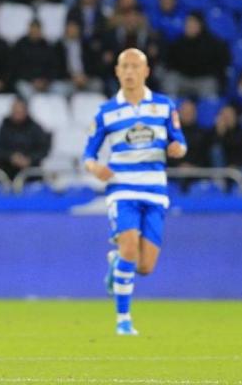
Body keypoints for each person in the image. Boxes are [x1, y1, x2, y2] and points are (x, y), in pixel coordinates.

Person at [83, 49, 187, 336]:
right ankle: (123, 320)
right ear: (117, 72)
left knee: (145, 267)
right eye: (124, 67)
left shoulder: (165, 107)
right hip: (122, 188)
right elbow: (88, 154)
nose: (129, 72)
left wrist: (178, 149)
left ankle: (116, 262)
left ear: (146, 71)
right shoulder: (106, 112)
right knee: (129, 247)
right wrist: (95, 168)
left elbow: (180, 140)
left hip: (154, 189)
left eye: (135, 66)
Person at [0, 97, 51, 179]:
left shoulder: (35, 127)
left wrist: (29, 159)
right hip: (8, 168)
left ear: (26, 111)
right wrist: (11, 157)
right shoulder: (5, 126)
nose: (17, 114)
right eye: (15, 111)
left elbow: (43, 149)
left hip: (30, 169)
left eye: (20, 111)